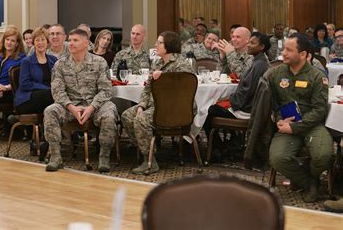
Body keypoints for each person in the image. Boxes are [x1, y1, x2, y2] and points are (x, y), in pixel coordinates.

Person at [267, 33, 333, 202]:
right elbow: (270, 103)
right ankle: (309, 183)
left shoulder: (318, 76)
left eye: (289, 50)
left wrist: (296, 126)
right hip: (286, 125)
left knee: (324, 156)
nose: (284, 53)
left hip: (311, 124)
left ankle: (304, 176)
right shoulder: (275, 74)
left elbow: (319, 110)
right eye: (284, 49)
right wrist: (278, 118)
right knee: (278, 158)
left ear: (303, 54)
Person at [43, 28, 118, 173]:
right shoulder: (60, 64)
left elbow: (106, 90)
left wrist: (91, 108)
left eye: (75, 40)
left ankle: (104, 157)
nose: (70, 43)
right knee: (50, 111)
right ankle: (56, 157)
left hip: (95, 105)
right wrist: (71, 107)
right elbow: (57, 91)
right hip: (70, 105)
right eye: (70, 40)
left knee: (110, 112)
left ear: (86, 44)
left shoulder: (99, 62)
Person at [121, 31, 194, 174]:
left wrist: (165, 77)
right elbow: (147, 89)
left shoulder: (182, 64)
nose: (156, 45)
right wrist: (142, 105)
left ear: (169, 45)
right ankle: (148, 153)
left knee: (141, 120)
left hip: (175, 108)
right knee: (127, 115)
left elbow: (182, 90)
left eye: (159, 42)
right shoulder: (157, 63)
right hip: (156, 106)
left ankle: (150, 162)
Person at [203, 32, 270, 160]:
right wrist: (224, 57)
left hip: (248, 108)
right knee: (212, 107)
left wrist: (230, 100)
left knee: (208, 111)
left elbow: (246, 89)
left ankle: (218, 149)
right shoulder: (258, 61)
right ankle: (223, 146)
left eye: (252, 43)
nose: (249, 45)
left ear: (261, 47)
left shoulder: (258, 64)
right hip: (246, 102)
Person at [14, 28, 57, 115]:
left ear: (47, 42)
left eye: (43, 39)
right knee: (52, 95)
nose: (40, 43)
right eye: (37, 40)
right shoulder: (26, 61)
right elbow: (25, 84)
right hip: (27, 98)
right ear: (33, 43)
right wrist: (47, 88)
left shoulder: (54, 60)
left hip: (48, 95)